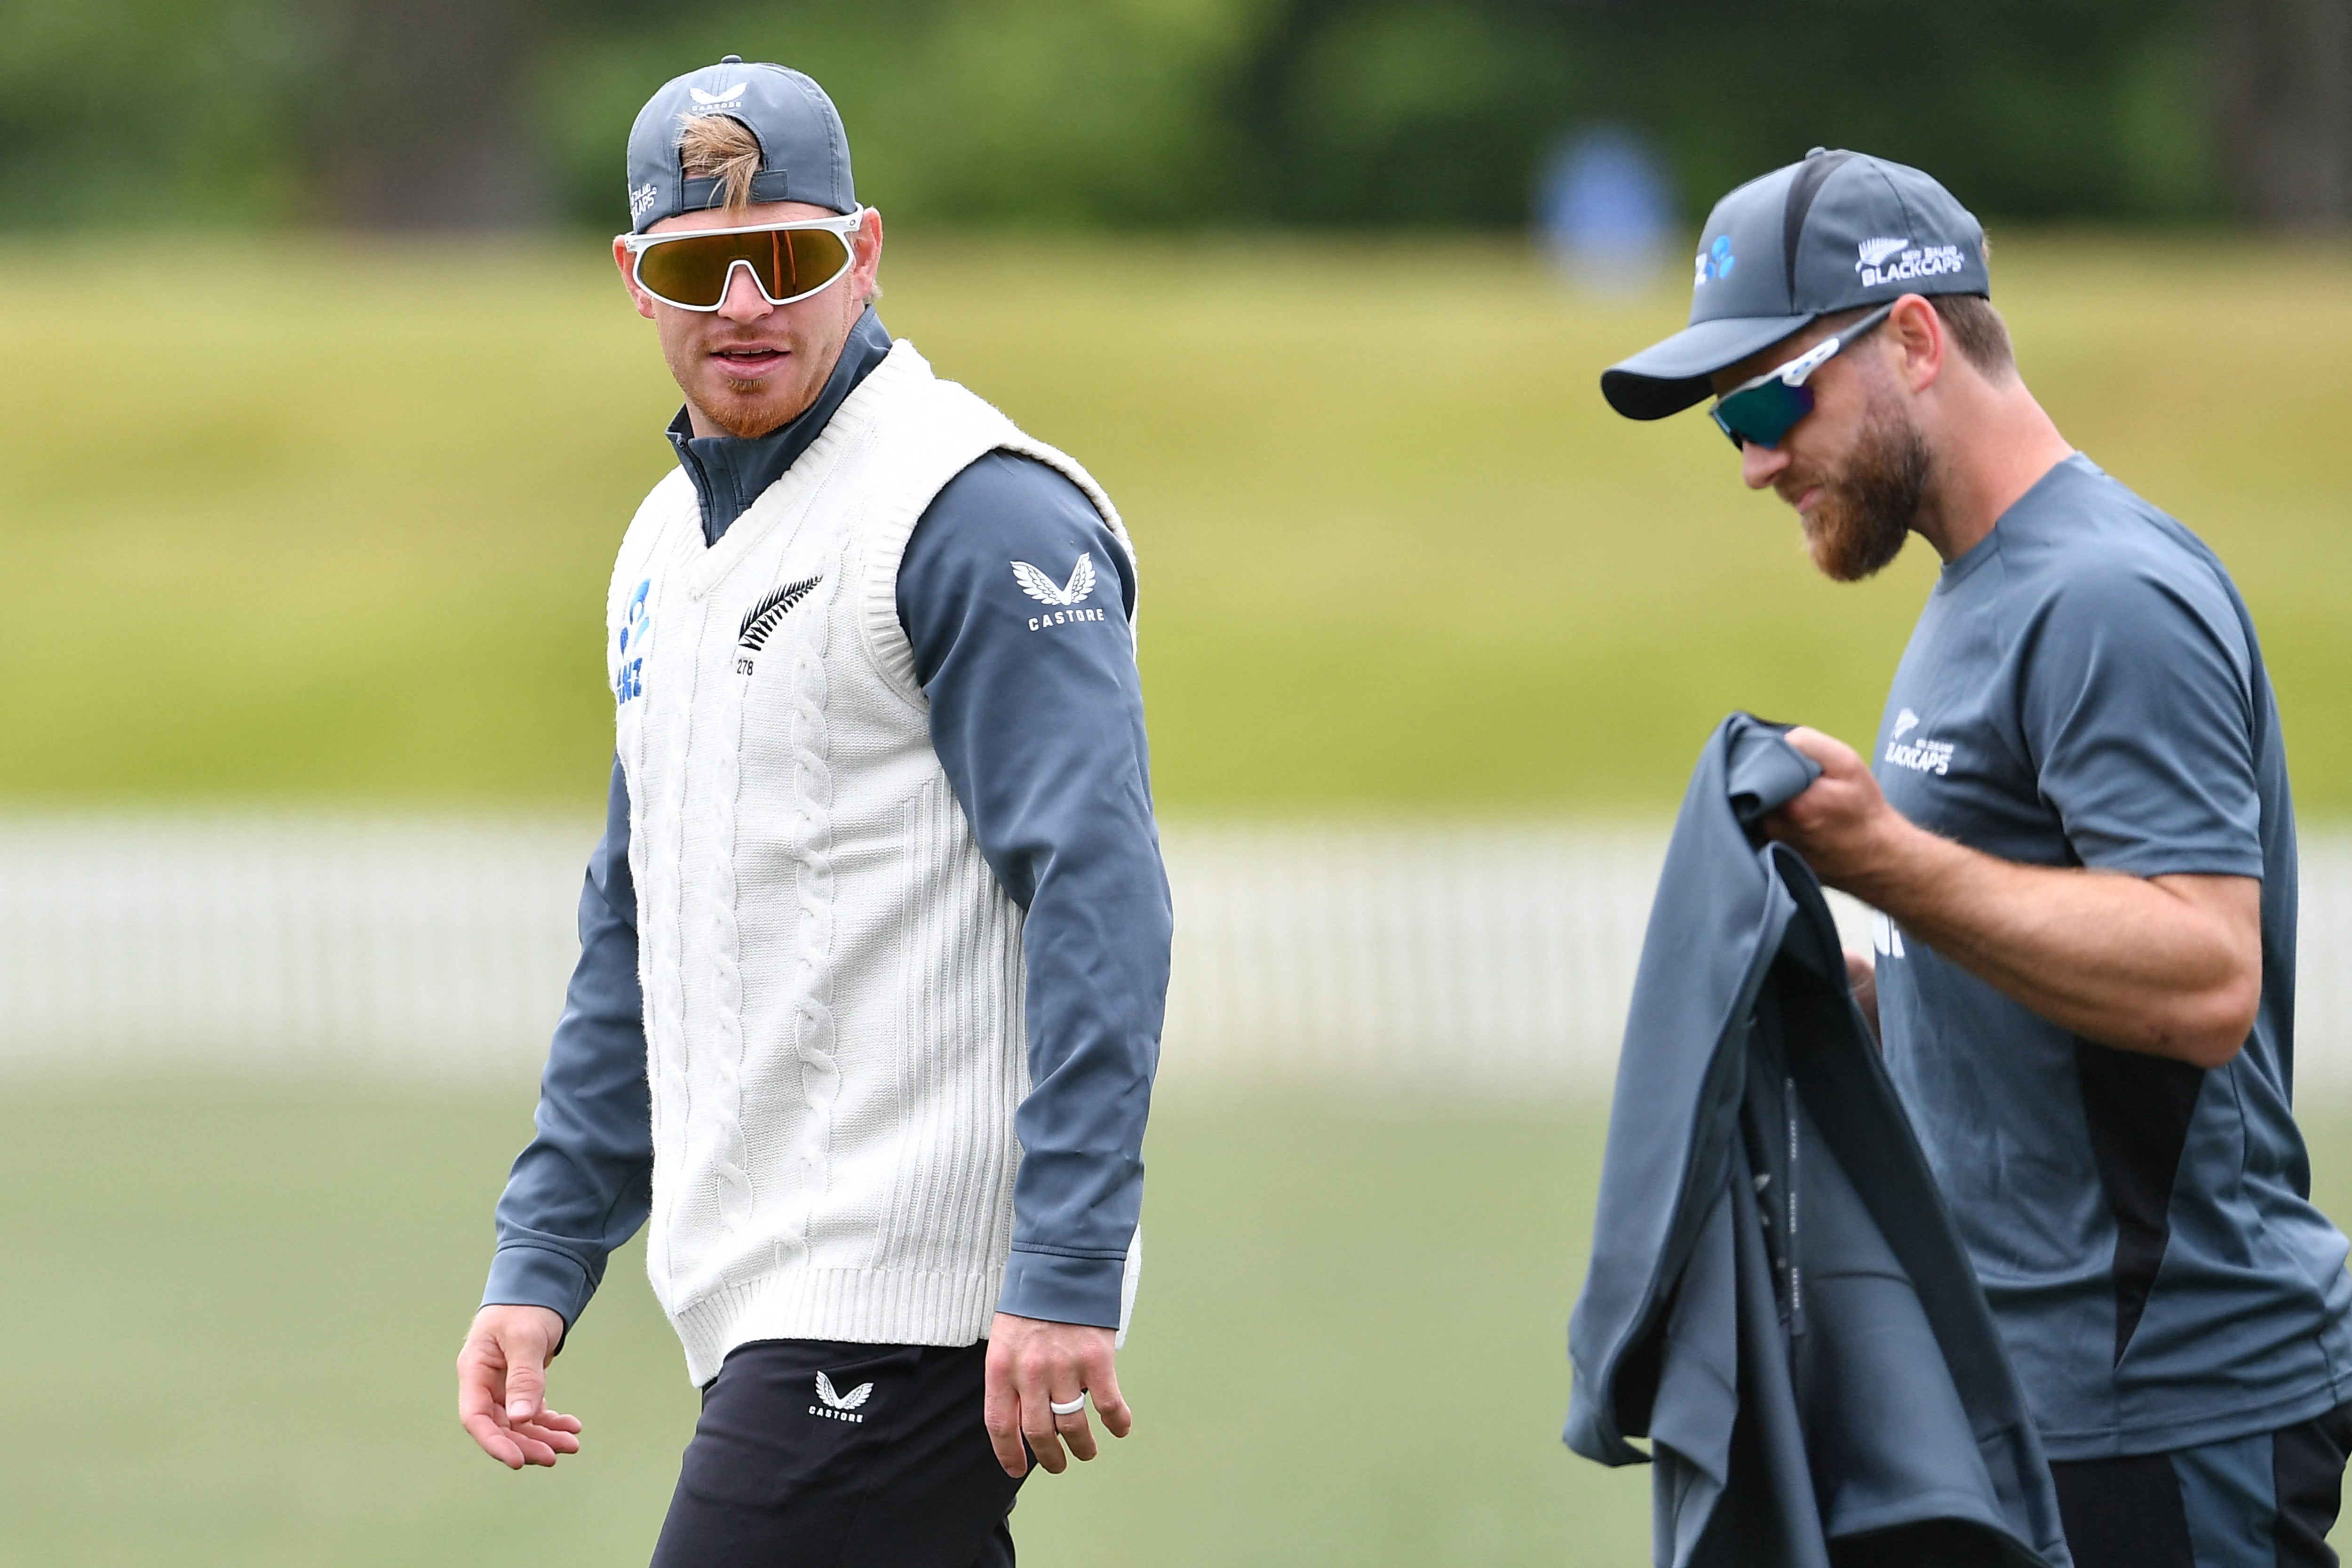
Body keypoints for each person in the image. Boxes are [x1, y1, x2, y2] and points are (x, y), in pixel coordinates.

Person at [453, 56, 1172, 1567]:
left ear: (865, 250)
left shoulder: (974, 507)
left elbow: (1096, 888)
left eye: (787, 257)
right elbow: (635, 919)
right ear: (633, 282)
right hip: (760, 1290)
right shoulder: (660, 541)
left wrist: (1066, 1262)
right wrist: (546, 1250)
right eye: (698, 266)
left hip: (903, 1292)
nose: (744, 306)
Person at [1600, 148, 2352, 1568]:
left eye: (1767, 397)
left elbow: (2202, 976)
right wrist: (1843, 997)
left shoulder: (2108, 597)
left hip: (2166, 1409)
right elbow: (2037, 946)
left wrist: (1883, 860)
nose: (1756, 457)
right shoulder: (1978, 590)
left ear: (1913, 338)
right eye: (1726, 424)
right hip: (2026, 1401)